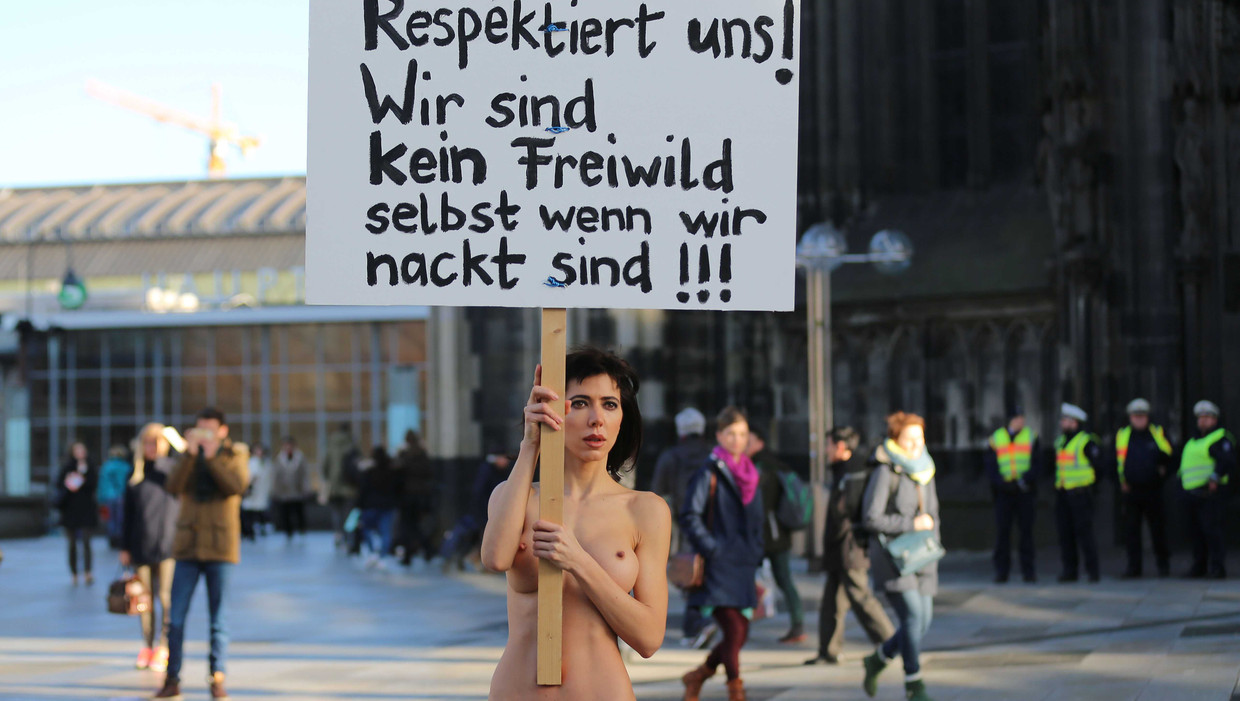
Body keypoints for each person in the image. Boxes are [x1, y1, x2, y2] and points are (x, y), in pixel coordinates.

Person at [481, 348, 671, 701]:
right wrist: (530, 445)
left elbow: (648, 638)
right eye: (580, 403)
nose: (597, 418)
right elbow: (494, 558)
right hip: (517, 690)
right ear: (553, 411)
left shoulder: (644, 510)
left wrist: (579, 561)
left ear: (622, 418)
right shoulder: (516, 497)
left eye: (610, 404)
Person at [153, 407, 249, 701]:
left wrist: (210, 457)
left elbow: (236, 486)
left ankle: (216, 678)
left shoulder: (235, 455)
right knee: (176, 617)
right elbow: (172, 486)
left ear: (222, 431)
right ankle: (172, 678)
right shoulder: (189, 457)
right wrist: (191, 455)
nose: (204, 435)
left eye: (209, 430)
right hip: (188, 546)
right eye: (199, 430)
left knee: (219, 619)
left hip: (220, 548)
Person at [680, 406, 764, 701]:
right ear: (719, 436)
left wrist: (757, 552)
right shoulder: (709, 471)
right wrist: (711, 548)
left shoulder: (752, 473)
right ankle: (735, 691)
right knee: (735, 628)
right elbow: (689, 514)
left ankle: (698, 676)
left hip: (743, 564)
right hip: (717, 565)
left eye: (742, 434)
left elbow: (757, 520)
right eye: (730, 434)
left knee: (740, 631)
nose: (737, 440)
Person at [860, 412, 940, 701]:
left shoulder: (925, 468)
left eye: (920, 438)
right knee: (913, 617)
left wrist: (935, 545)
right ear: (896, 440)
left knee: (923, 622)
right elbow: (871, 517)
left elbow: (934, 513)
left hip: (923, 556)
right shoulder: (886, 470)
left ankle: (878, 659)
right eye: (909, 439)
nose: (916, 444)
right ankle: (914, 683)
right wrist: (911, 525)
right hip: (894, 558)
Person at [804, 426, 895, 667]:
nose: (826, 450)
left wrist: (842, 542)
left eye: (829, 445)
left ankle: (892, 642)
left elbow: (845, 512)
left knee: (861, 596)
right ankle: (828, 650)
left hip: (849, 548)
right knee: (832, 601)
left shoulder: (851, 472)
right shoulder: (843, 471)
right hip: (841, 548)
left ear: (841, 447)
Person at [121, 423, 181, 673]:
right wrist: (124, 546)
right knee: (143, 600)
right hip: (140, 546)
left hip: (168, 546)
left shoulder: (173, 471)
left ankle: (164, 647)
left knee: (166, 597)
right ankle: (147, 645)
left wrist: (178, 442)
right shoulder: (135, 475)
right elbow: (127, 515)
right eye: (148, 442)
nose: (152, 447)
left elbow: (192, 465)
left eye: (157, 442)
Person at [650, 407, 712, 644]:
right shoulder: (711, 455)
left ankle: (696, 624)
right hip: (711, 522)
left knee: (689, 572)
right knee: (705, 572)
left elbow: (657, 491)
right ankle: (697, 623)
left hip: (684, 523)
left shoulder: (671, 456)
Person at [750, 428, 806, 644]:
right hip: (777, 534)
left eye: (750, 438)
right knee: (783, 580)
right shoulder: (774, 464)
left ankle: (797, 625)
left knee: (776, 579)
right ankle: (797, 624)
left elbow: (761, 505)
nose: (745, 443)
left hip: (769, 535)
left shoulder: (764, 468)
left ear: (760, 442)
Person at [1115, 399, 1173, 578]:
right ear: (1130, 418)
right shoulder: (1123, 435)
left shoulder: (1157, 434)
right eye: (1135, 416)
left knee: (1158, 530)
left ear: (1147, 417)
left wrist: (1163, 474)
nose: (1139, 420)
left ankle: (1163, 566)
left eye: (1142, 416)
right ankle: (1134, 568)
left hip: (1153, 490)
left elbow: (1172, 456)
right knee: (1132, 532)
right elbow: (1113, 461)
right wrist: (1120, 481)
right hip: (1130, 491)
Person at [1179, 400, 1235, 579]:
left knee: (1212, 532)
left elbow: (1227, 461)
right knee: (1196, 533)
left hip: (1210, 493)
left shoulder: (1219, 437)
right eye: (1200, 418)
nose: (1203, 421)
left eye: (1207, 417)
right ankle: (1199, 566)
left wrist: (1215, 477)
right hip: (1191, 494)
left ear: (1215, 420)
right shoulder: (1192, 441)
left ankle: (1217, 568)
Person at [985, 404, 1040, 583]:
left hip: (1024, 490)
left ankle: (1028, 571)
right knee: (1003, 533)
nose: (1020, 421)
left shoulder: (1031, 437)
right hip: (1004, 492)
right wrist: (1001, 483)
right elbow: (990, 466)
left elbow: (1038, 464)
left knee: (1026, 533)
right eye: (1017, 418)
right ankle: (1002, 571)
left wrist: (1025, 479)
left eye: (1022, 418)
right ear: (1010, 420)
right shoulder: (996, 438)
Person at [1053, 403, 1104, 583]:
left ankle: (1093, 571)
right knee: (1065, 534)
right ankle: (1070, 571)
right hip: (1063, 494)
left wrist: (1091, 487)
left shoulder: (1086, 441)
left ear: (1075, 423)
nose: (1062, 423)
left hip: (1081, 495)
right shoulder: (1061, 442)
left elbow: (1099, 467)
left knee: (1085, 534)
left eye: (1065, 420)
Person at [441, 452, 511, 572]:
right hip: (484, 512)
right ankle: (479, 562)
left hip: (491, 511)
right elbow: (479, 493)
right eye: (503, 458)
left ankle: (474, 561)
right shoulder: (487, 471)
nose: (506, 462)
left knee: (479, 538)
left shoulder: (499, 471)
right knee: (481, 538)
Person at [57, 441, 99, 586]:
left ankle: (88, 571)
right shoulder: (67, 467)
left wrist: (82, 475)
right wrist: (73, 480)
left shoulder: (90, 467)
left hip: (86, 510)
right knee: (72, 544)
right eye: (77, 450)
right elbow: (60, 485)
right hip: (71, 512)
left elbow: (93, 485)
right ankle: (74, 572)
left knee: (87, 542)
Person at [395, 430, 436, 566]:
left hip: (407, 496)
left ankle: (410, 554)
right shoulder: (423, 454)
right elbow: (429, 473)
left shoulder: (404, 455)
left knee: (407, 526)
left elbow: (398, 472)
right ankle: (426, 549)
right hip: (421, 495)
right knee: (417, 526)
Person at [357, 445, 401, 569]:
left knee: (367, 529)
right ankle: (382, 556)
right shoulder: (391, 472)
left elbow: (363, 490)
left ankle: (372, 553)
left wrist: (359, 504)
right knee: (385, 532)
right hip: (387, 506)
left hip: (370, 505)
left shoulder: (369, 472)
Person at [320, 423, 359, 548]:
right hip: (350, 488)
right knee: (349, 514)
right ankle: (349, 537)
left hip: (334, 488)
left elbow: (324, 467)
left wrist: (329, 479)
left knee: (336, 513)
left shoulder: (331, 446)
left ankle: (338, 534)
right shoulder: (352, 446)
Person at [270, 437, 311, 543]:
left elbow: (305, 474)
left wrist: (306, 488)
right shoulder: (279, 459)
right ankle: (289, 532)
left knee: (299, 512)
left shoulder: (300, 458)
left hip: (298, 491)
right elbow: (276, 475)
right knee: (285, 513)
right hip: (284, 492)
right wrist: (275, 490)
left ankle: (302, 529)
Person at [98, 445, 132, 549]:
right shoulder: (126, 466)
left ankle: (113, 539)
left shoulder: (106, 467)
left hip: (110, 496)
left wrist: (101, 499)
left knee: (111, 519)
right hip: (122, 495)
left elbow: (102, 484)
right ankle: (119, 539)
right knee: (121, 518)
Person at [241, 444, 272, 541]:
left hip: (260, 491)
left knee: (257, 512)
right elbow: (252, 476)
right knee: (249, 512)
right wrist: (248, 488)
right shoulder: (252, 462)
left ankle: (254, 531)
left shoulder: (263, 463)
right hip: (252, 491)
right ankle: (248, 532)